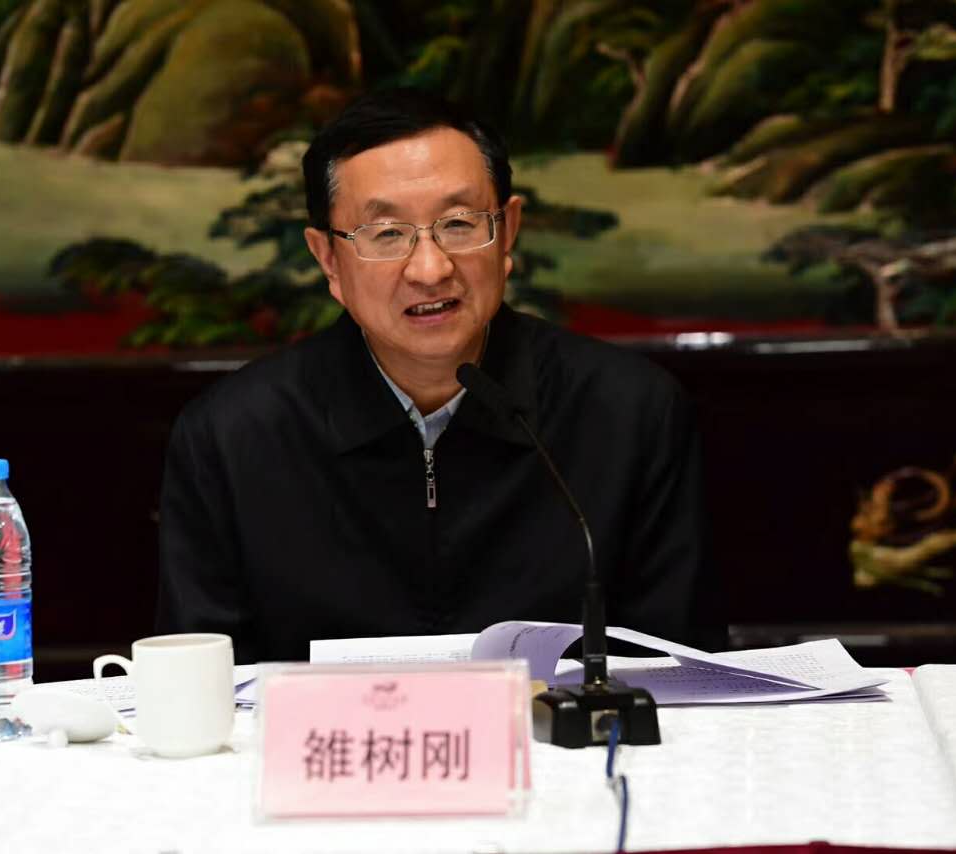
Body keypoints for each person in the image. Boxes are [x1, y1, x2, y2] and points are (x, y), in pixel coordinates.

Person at [156, 88, 721, 662]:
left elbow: (684, 674)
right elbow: (201, 681)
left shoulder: (630, 414)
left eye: (458, 224)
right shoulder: (232, 437)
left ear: (508, 231)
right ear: (328, 259)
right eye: (387, 234)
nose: (430, 268)